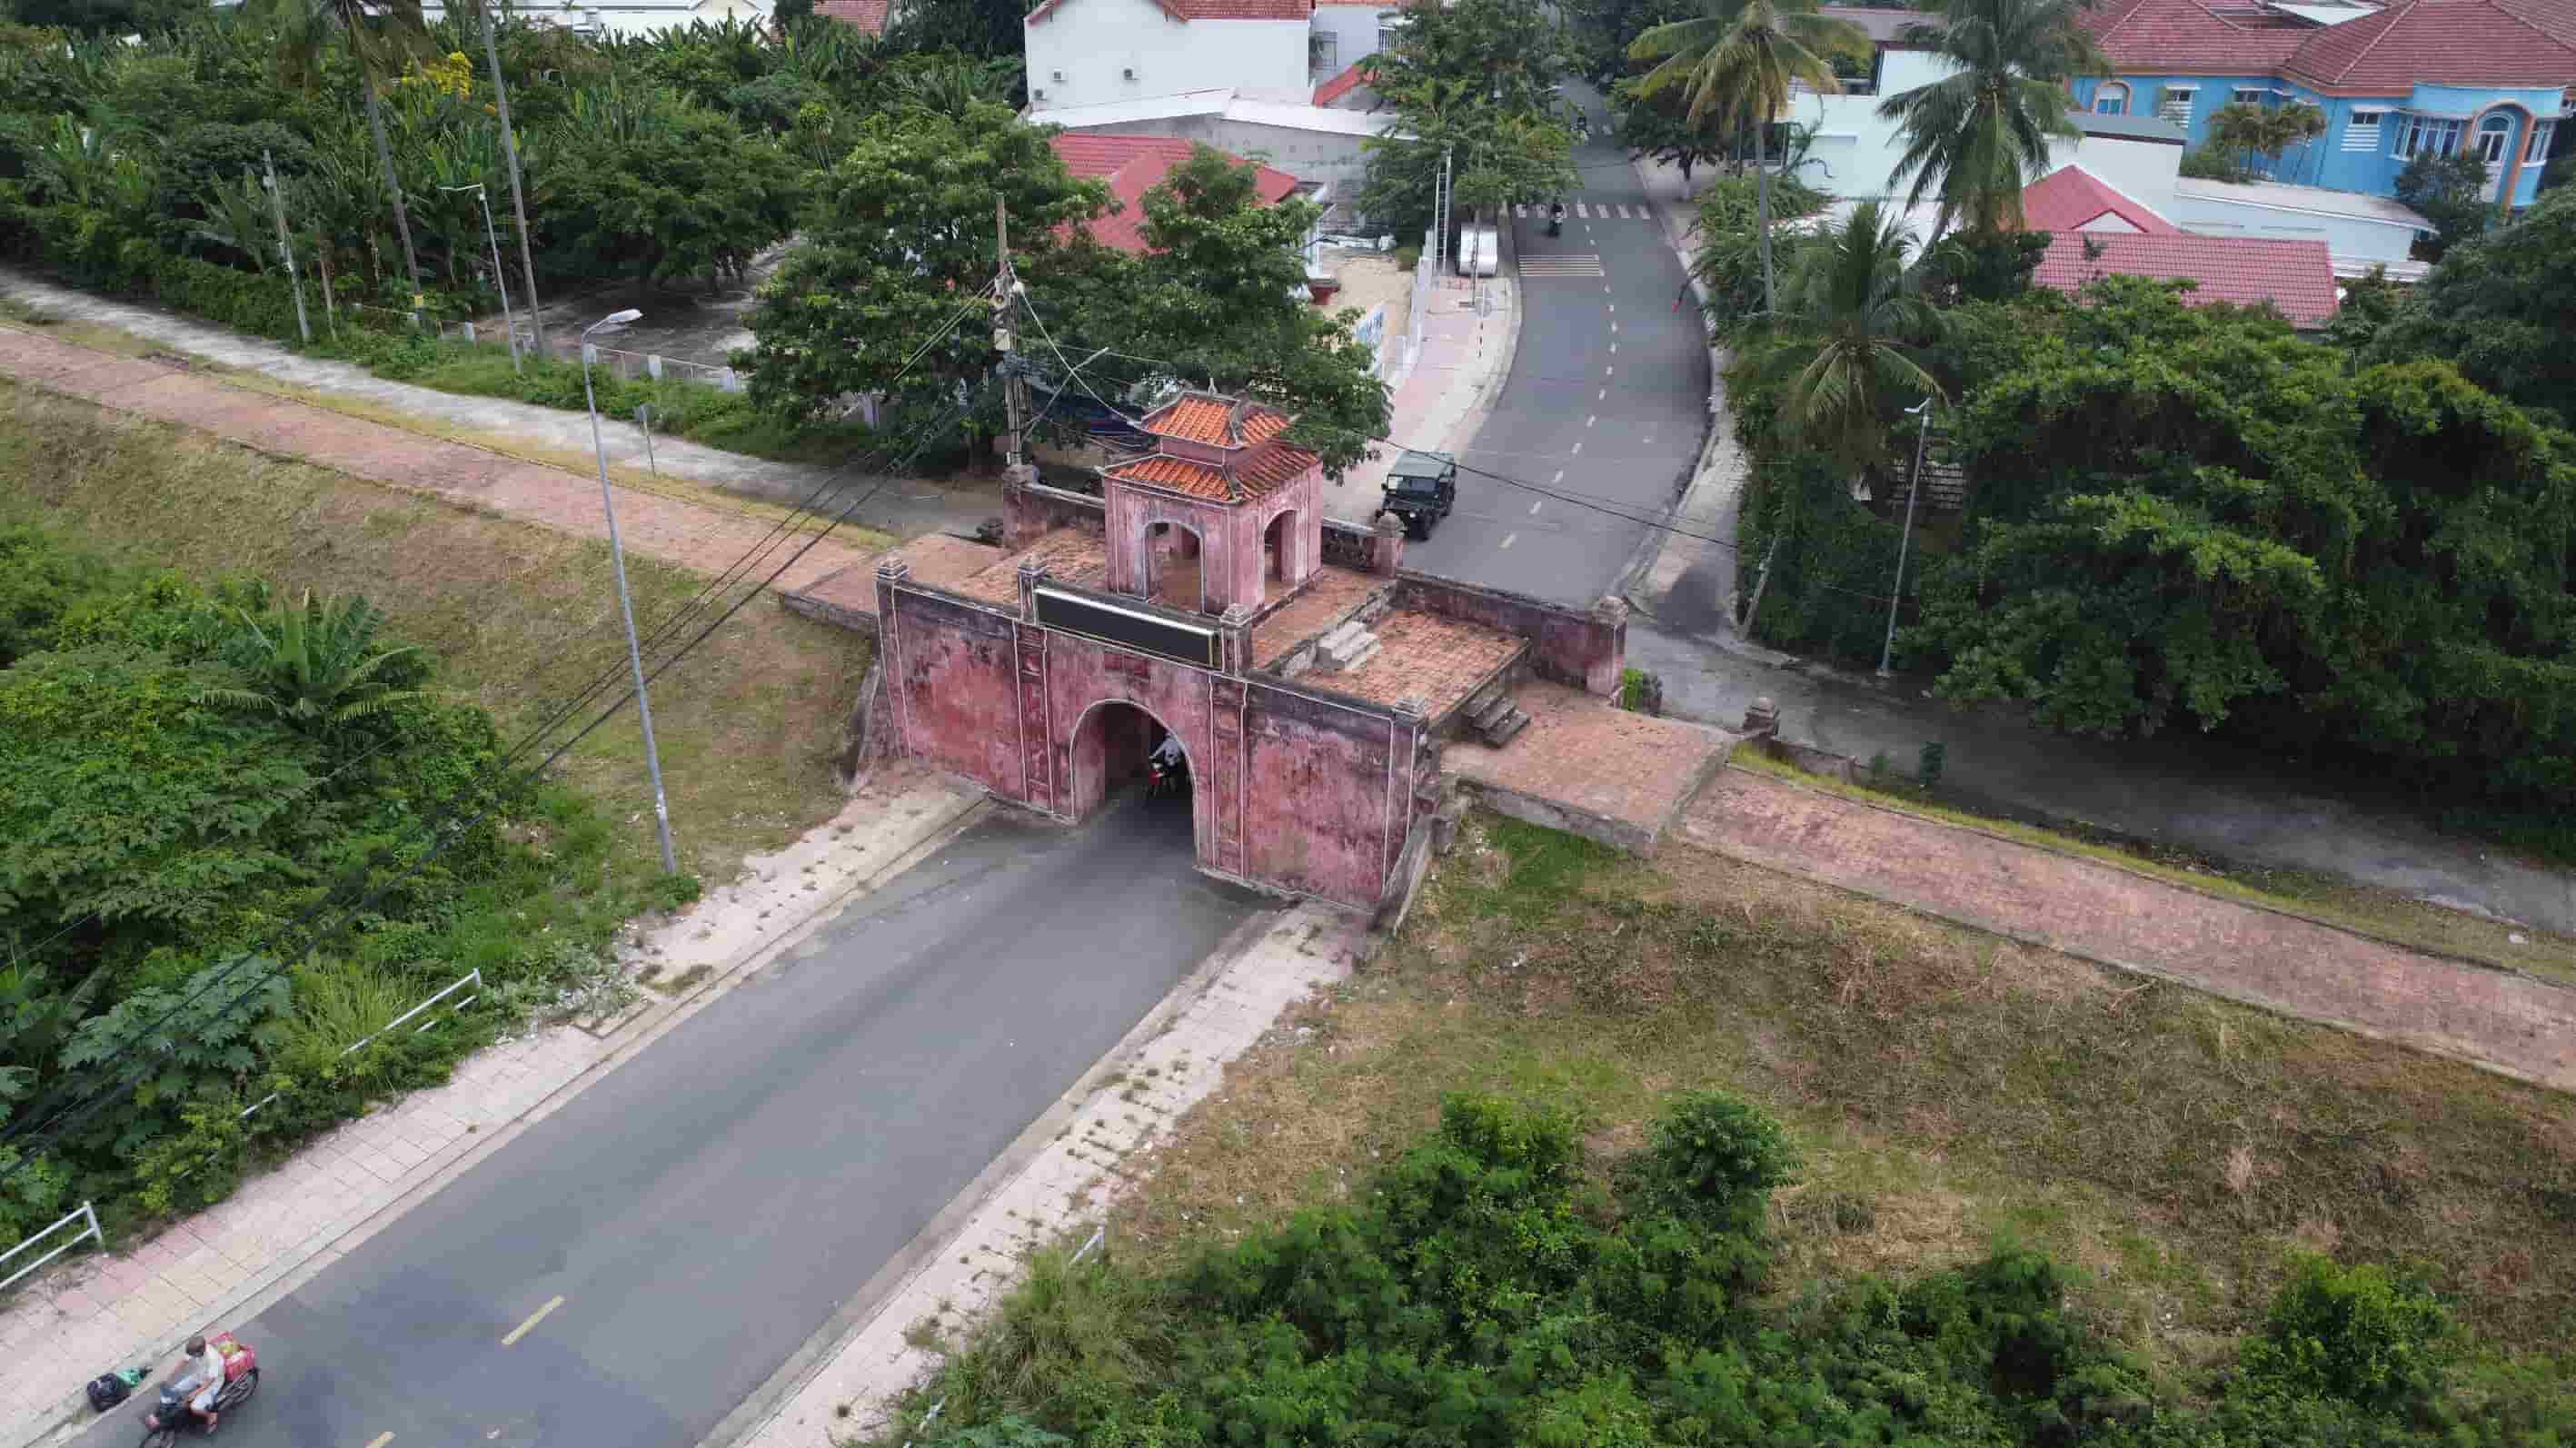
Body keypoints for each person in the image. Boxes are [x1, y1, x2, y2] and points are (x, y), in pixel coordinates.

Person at [182, 1334, 225, 1433]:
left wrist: (195, 1393)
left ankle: (211, 1415)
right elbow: (183, 1360)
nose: (192, 1357)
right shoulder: (195, 1350)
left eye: (193, 1355)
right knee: (177, 1388)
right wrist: (168, 1377)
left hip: (214, 1382)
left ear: (200, 1351)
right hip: (200, 1374)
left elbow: (210, 1381)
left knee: (195, 1408)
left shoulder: (212, 1358)